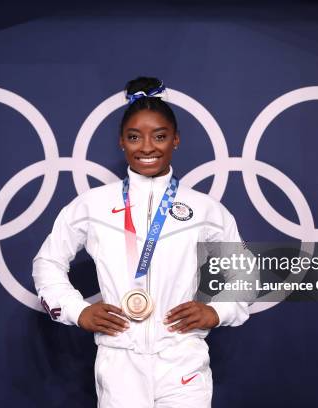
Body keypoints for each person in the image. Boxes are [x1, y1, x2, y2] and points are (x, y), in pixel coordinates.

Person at [32, 76, 252, 407]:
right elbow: (47, 263)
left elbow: (245, 274)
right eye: (134, 137)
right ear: (122, 142)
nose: (147, 147)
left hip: (182, 358)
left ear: (176, 140)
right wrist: (77, 311)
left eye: (159, 136)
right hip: (119, 359)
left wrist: (216, 311)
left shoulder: (205, 209)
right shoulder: (92, 205)